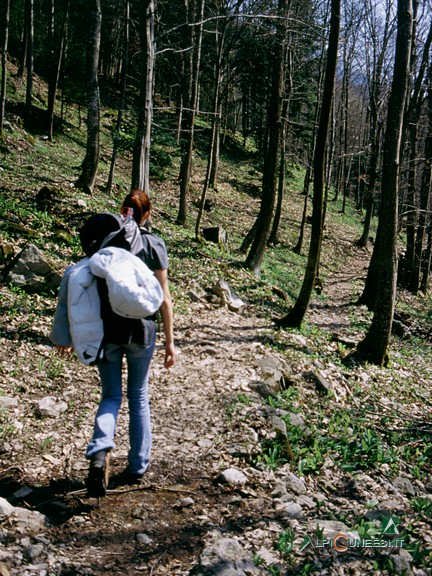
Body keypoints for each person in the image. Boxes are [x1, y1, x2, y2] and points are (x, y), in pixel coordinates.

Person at [52, 194, 176, 497]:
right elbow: (164, 298)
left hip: (106, 333)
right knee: (138, 395)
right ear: (147, 214)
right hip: (142, 333)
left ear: (124, 212)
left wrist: (72, 333)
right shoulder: (154, 245)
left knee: (110, 396)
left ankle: (99, 451)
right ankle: (137, 466)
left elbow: (86, 289)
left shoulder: (107, 242)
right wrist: (171, 342)